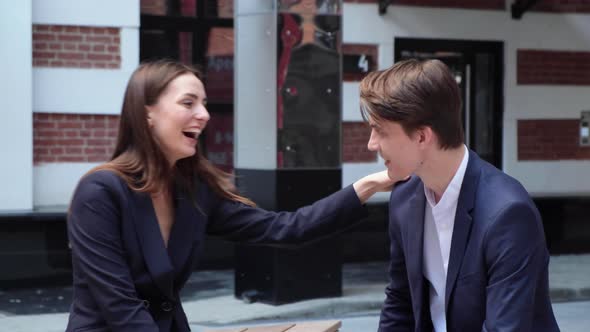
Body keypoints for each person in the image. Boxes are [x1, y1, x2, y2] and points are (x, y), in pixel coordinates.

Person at [65, 60, 397, 332]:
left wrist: (370, 185)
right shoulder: (99, 194)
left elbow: (285, 228)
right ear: (147, 112)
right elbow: (121, 307)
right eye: (188, 102)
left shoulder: (194, 191)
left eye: (204, 104)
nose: (204, 115)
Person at [359, 59, 559, 331]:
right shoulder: (404, 198)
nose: (371, 144)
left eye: (380, 131)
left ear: (421, 137)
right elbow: (400, 303)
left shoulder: (508, 213)